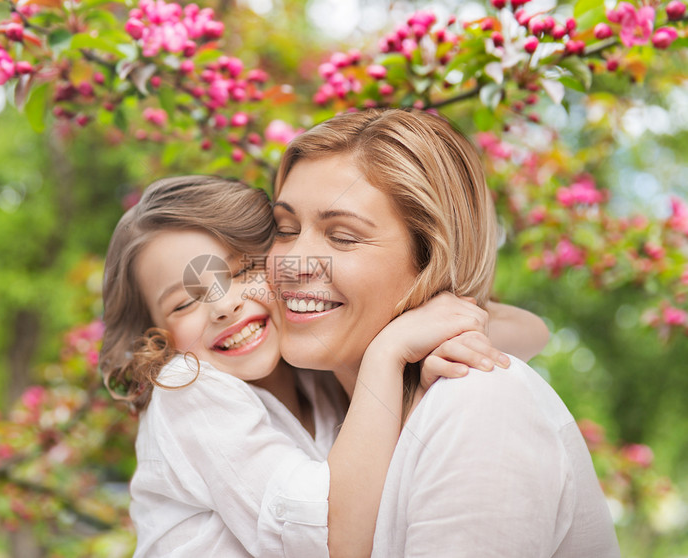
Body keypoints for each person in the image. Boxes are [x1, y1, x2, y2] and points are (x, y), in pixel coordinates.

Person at [99, 175, 541, 557]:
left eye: (239, 271)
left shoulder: (312, 365)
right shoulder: (187, 386)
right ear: (157, 340)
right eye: (185, 302)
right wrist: (388, 350)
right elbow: (331, 543)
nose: (223, 306)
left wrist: (411, 320)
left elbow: (531, 330)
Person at [269, 108, 620, 557]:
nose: (290, 263)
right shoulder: (312, 408)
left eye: (343, 237)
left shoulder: (477, 404)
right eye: (284, 229)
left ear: (431, 258)